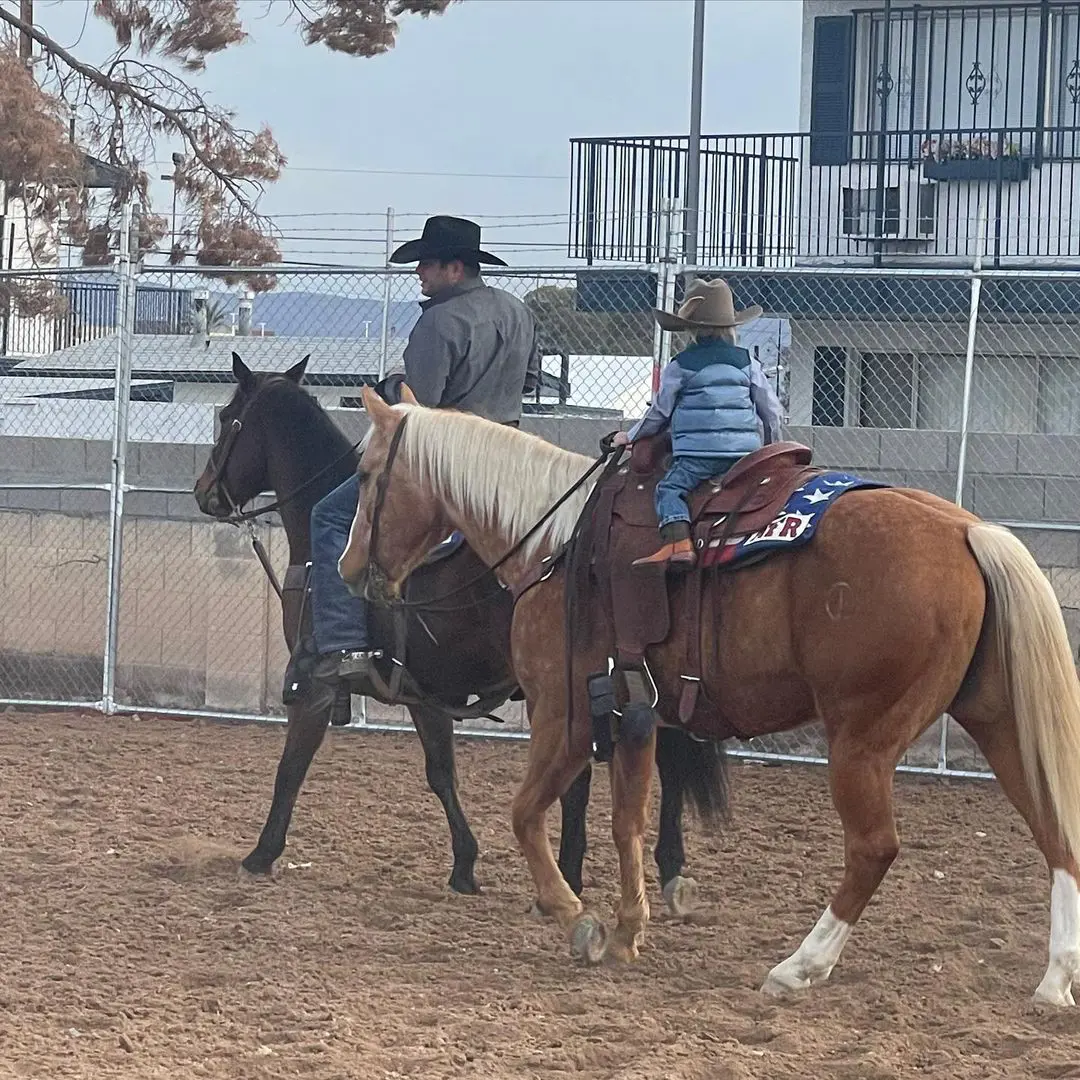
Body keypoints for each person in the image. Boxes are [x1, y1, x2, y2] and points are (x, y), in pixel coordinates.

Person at [284, 215, 541, 724]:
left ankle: (343, 645)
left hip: (445, 465)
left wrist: (395, 383)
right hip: (512, 462)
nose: (418, 272)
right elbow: (531, 380)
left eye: (425, 263)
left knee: (330, 517)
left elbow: (416, 408)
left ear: (453, 266)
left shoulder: (439, 322)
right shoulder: (517, 312)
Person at [613, 277, 785, 568]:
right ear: (731, 326)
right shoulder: (747, 362)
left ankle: (678, 543)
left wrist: (629, 436)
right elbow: (771, 412)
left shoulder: (681, 365)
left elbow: (659, 413)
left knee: (669, 490)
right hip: (744, 458)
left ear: (690, 329)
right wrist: (771, 448)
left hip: (696, 458)